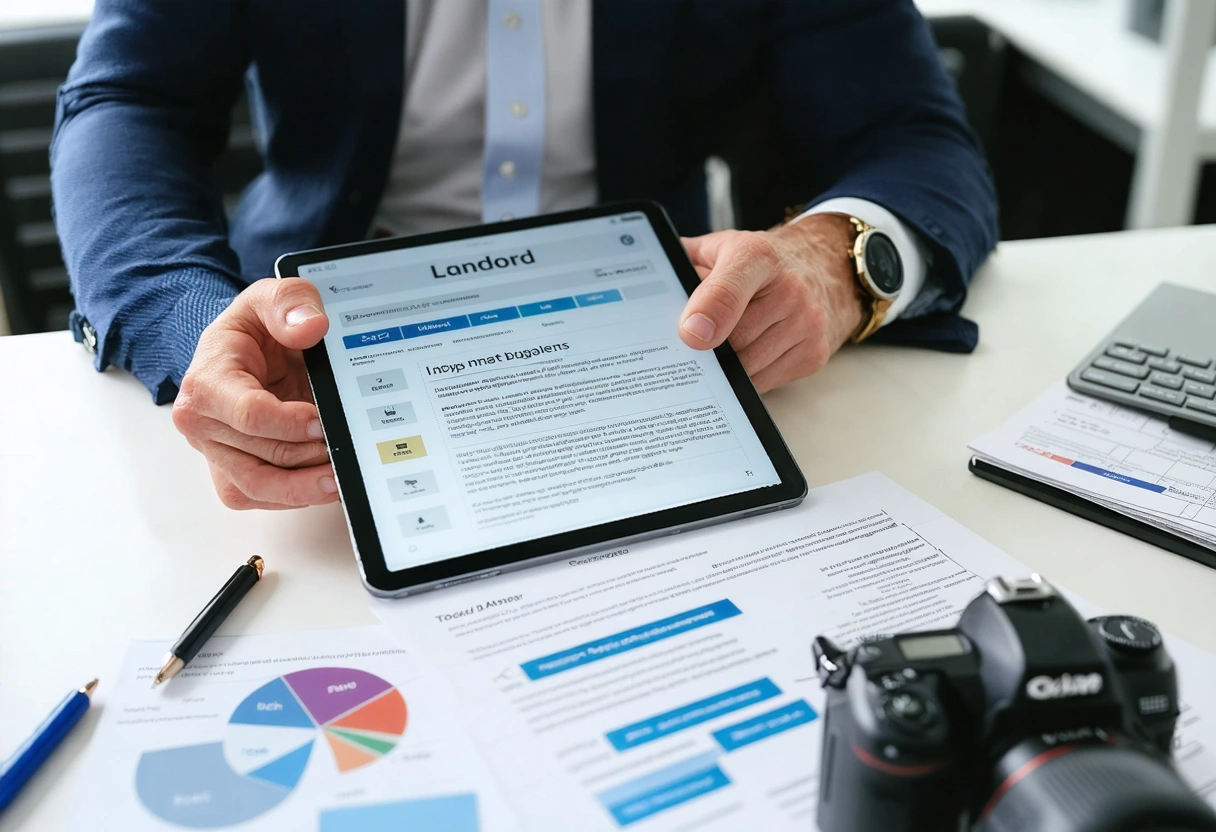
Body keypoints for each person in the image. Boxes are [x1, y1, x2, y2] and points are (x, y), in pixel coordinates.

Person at [51, 0, 997, 510]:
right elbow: (127, 104)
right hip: (318, 348)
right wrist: (194, 320)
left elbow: (913, 137)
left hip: (655, 345)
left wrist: (835, 264)